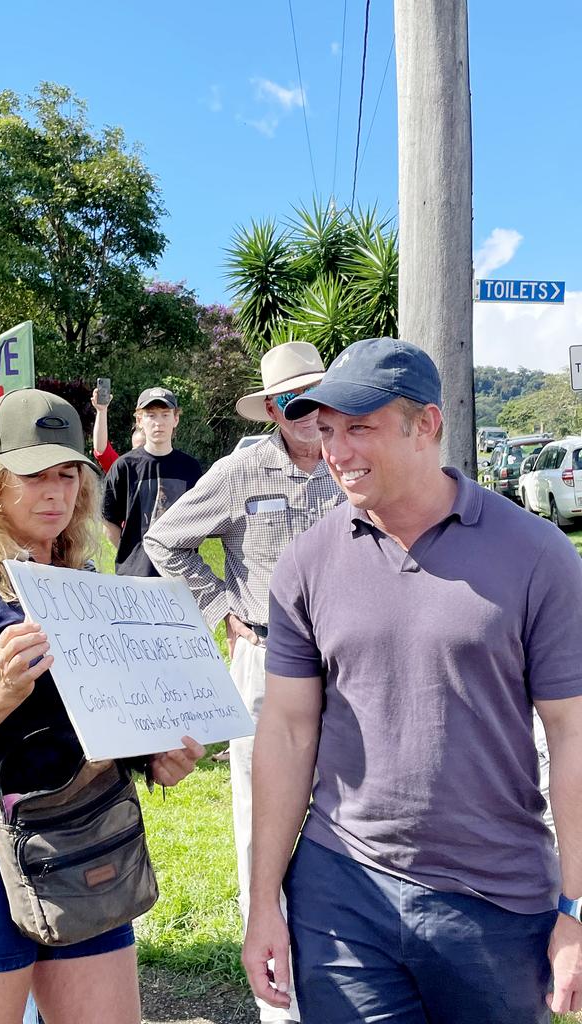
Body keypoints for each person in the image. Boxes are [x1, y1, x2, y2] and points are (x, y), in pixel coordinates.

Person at [243, 336, 582, 1024]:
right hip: (341, 896)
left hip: (496, 903)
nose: (336, 450)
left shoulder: (536, 554)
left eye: (360, 428)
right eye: (327, 429)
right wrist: (263, 904)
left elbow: (573, 733)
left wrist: (575, 910)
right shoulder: (307, 562)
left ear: (426, 425)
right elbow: (285, 731)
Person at [0, 388, 204, 1023]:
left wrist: (154, 755)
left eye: (67, 475)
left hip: (82, 838)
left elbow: (96, 717)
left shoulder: (86, 588)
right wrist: (0, 692)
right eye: (33, 476)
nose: (56, 493)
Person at [144, 342, 343, 1024]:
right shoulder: (242, 469)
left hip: (351, 664)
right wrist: (221, 610)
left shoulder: (354, 460)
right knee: (264, 823)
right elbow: (165, 540)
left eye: (318, 397)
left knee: (351, 817)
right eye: (293, 403)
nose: (309, 415)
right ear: (272, 410)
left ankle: (344, 969)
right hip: (266, 656)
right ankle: (277, 1001)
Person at [102, 386, 201, 576]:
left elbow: (198, 520)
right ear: (139, 420)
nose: (159, 423)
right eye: (151, 415)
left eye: (165, 415)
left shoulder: (190, 468)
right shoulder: (124, 466)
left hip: (181, 575)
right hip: (135, 577)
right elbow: (109, 521)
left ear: (176, 419)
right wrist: (134, 555)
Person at [91, 386, 144, 472]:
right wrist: (101, 411)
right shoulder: (125, 471)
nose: (139, 455)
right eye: (136, 450)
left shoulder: (171, 468)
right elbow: (102, 451)